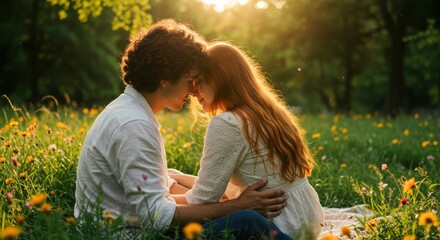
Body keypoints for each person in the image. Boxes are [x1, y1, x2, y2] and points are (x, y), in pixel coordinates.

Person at [74, 19, 291, 239]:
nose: (195, 91)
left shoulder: (131, 113)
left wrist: (219, 197)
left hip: (126, 228)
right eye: (191, 80)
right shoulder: (134, 126)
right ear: (165, 78)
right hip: (125, 236)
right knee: (247, 220)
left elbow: (164, 191)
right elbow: (157, 218)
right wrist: (238, 205)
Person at [183, 41, 325, 238]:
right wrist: (175, 176)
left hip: (280, 226)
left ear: (220, 78)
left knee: (182, 225)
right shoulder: (271, 111)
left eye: (199, 81)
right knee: (175, 180)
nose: (193, 90)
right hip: (307, 219)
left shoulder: (228, 123)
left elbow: (202, 200)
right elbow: (224, 186)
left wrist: (160, 202)